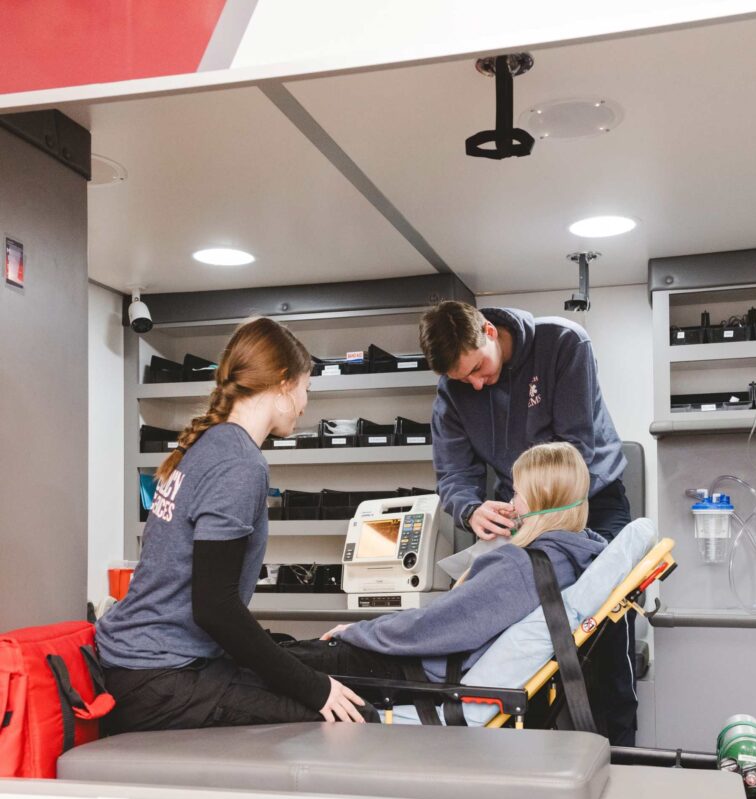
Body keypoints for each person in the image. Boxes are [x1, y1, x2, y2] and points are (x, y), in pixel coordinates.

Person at [96, 317, 368, 733]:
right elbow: (216, 608)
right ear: (282, 383)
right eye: (305, 389)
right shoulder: (240, 463)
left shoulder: (212, 445)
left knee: (304, 678)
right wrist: (315, 689)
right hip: (157, 678)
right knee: (337, 721)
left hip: (141, 665)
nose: (305, 404)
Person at [416, 301, 636, 745]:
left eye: (478, 368)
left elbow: (574, 450)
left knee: (607, 627)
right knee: (520, 633)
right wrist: (471, 509)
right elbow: (455, 475)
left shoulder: (563, 344)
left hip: (590, 500)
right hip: (518, 509)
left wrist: (534, 512)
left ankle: (620, 750)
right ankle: (529, 750)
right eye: (463, 380)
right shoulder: (453, 390)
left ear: (490, 332)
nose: (475, 384)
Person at [285, 443, 606, 708]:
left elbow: (434, 626)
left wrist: (357, 631)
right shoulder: (573, 557)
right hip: (422, 661)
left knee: (272, 665)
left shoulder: (521, 565)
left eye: (518, 493)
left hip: (413, 671)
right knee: (278, 651)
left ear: (540, 498)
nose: (511, 503)